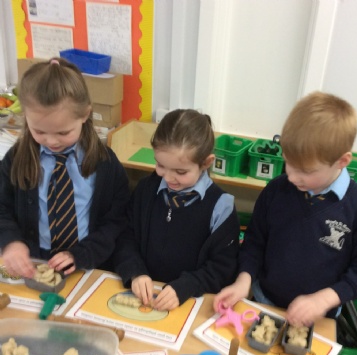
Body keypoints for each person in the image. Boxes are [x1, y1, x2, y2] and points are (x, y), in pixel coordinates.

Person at [213, 91, 357, 327]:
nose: (292, 177)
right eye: (288, 162)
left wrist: (325, 299)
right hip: (264, 302)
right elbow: (255, 243)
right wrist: (243, 281)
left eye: (306, 171)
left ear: (342, 161)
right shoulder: (276, 191)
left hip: (320, 317)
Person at [0, 57, 130, 278]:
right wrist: (11, 241)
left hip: (87, 266)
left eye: (63, 132)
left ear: (85, 114)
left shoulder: (106, 163)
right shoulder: (16, 159)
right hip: (35, 265)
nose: (52, 141)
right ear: (26, 117)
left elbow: (117, 220)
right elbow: (2, 208)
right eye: (39, 131)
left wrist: (82, 254)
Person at [114, 109, 240, 311]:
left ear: (206, 163)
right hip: (145, 297)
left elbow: (222, 268)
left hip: (190, 302)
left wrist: (186, 286)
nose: (168, 177)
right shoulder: (146, 190)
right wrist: (135, 271)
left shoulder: (221, 207)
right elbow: (125, 237)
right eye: (160, 165)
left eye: (180, 172)